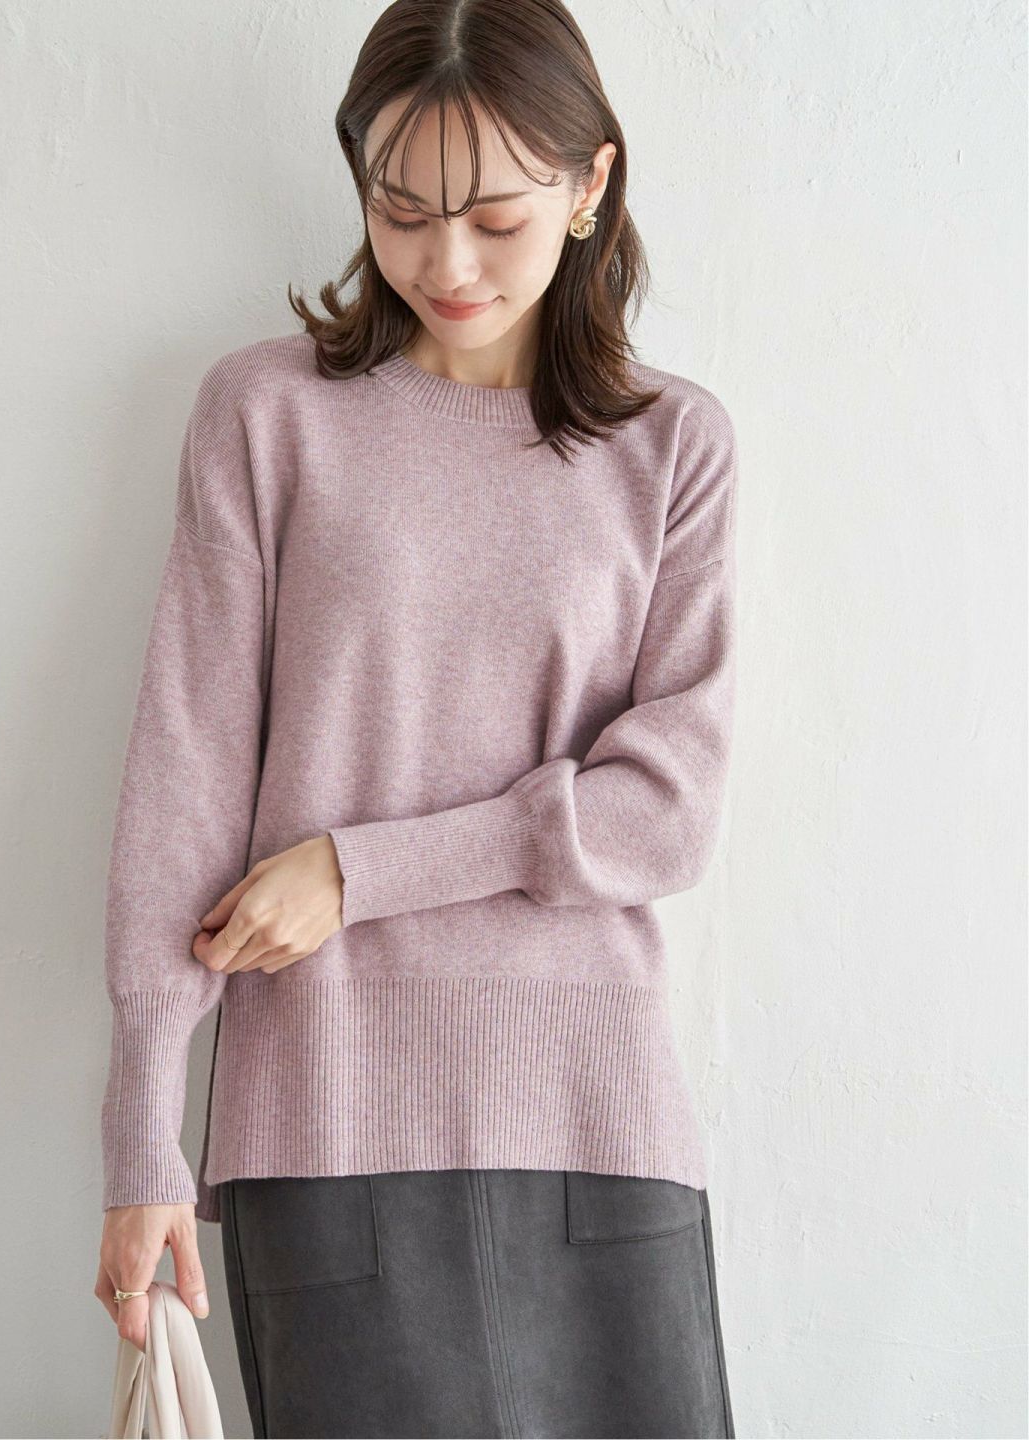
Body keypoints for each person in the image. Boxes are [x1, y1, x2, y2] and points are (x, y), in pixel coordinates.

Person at [94, 1, 739, 1435]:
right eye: (400, 213)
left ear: (591, 186)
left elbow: (668, 809)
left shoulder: (670, 445)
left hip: (596, 1117)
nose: (447, 265)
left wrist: (357, 871)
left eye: (497, 220)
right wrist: (142, 1138)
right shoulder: (267, 416)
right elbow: (186, 773)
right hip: (324, 1120)